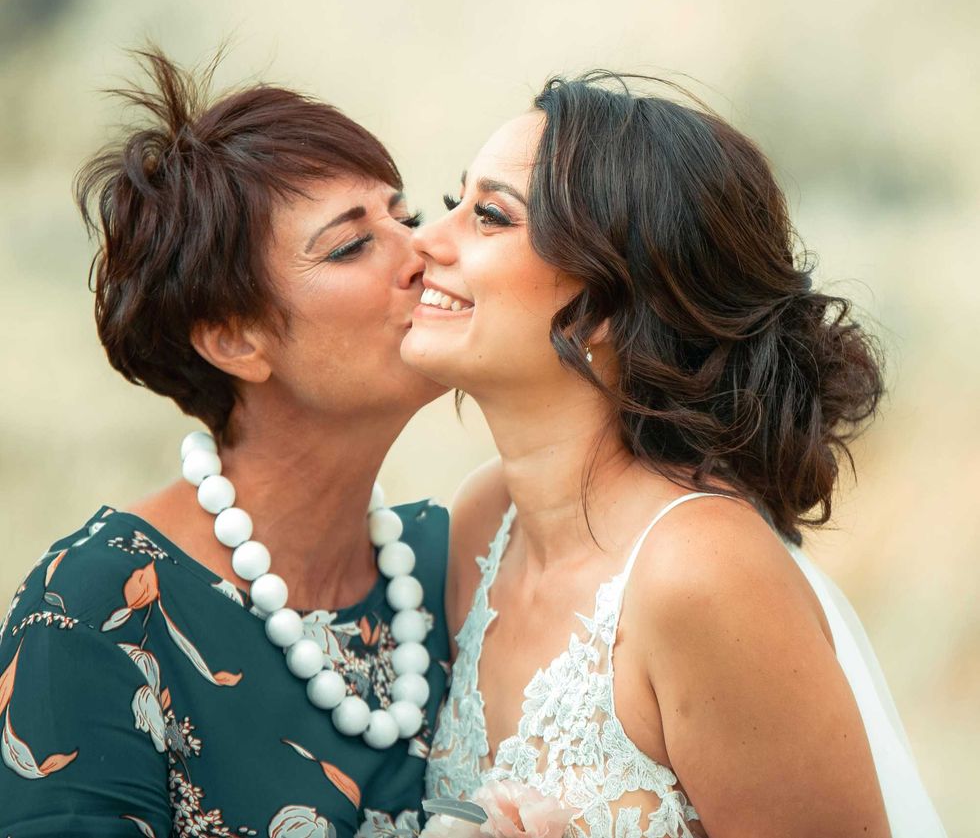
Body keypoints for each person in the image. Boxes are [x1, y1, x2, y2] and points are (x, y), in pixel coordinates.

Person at [403, 72, 947, 838]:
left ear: (605, 305)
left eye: (489, 216)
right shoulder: (483, 521)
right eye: (454, 200)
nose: (425, 238)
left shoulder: (701, 573)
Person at [0, 51, 450, 838]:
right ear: (235, 340)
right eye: (351, 245)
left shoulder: (453, 562)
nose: (425, 252)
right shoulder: (93, 612)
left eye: (404, 218)